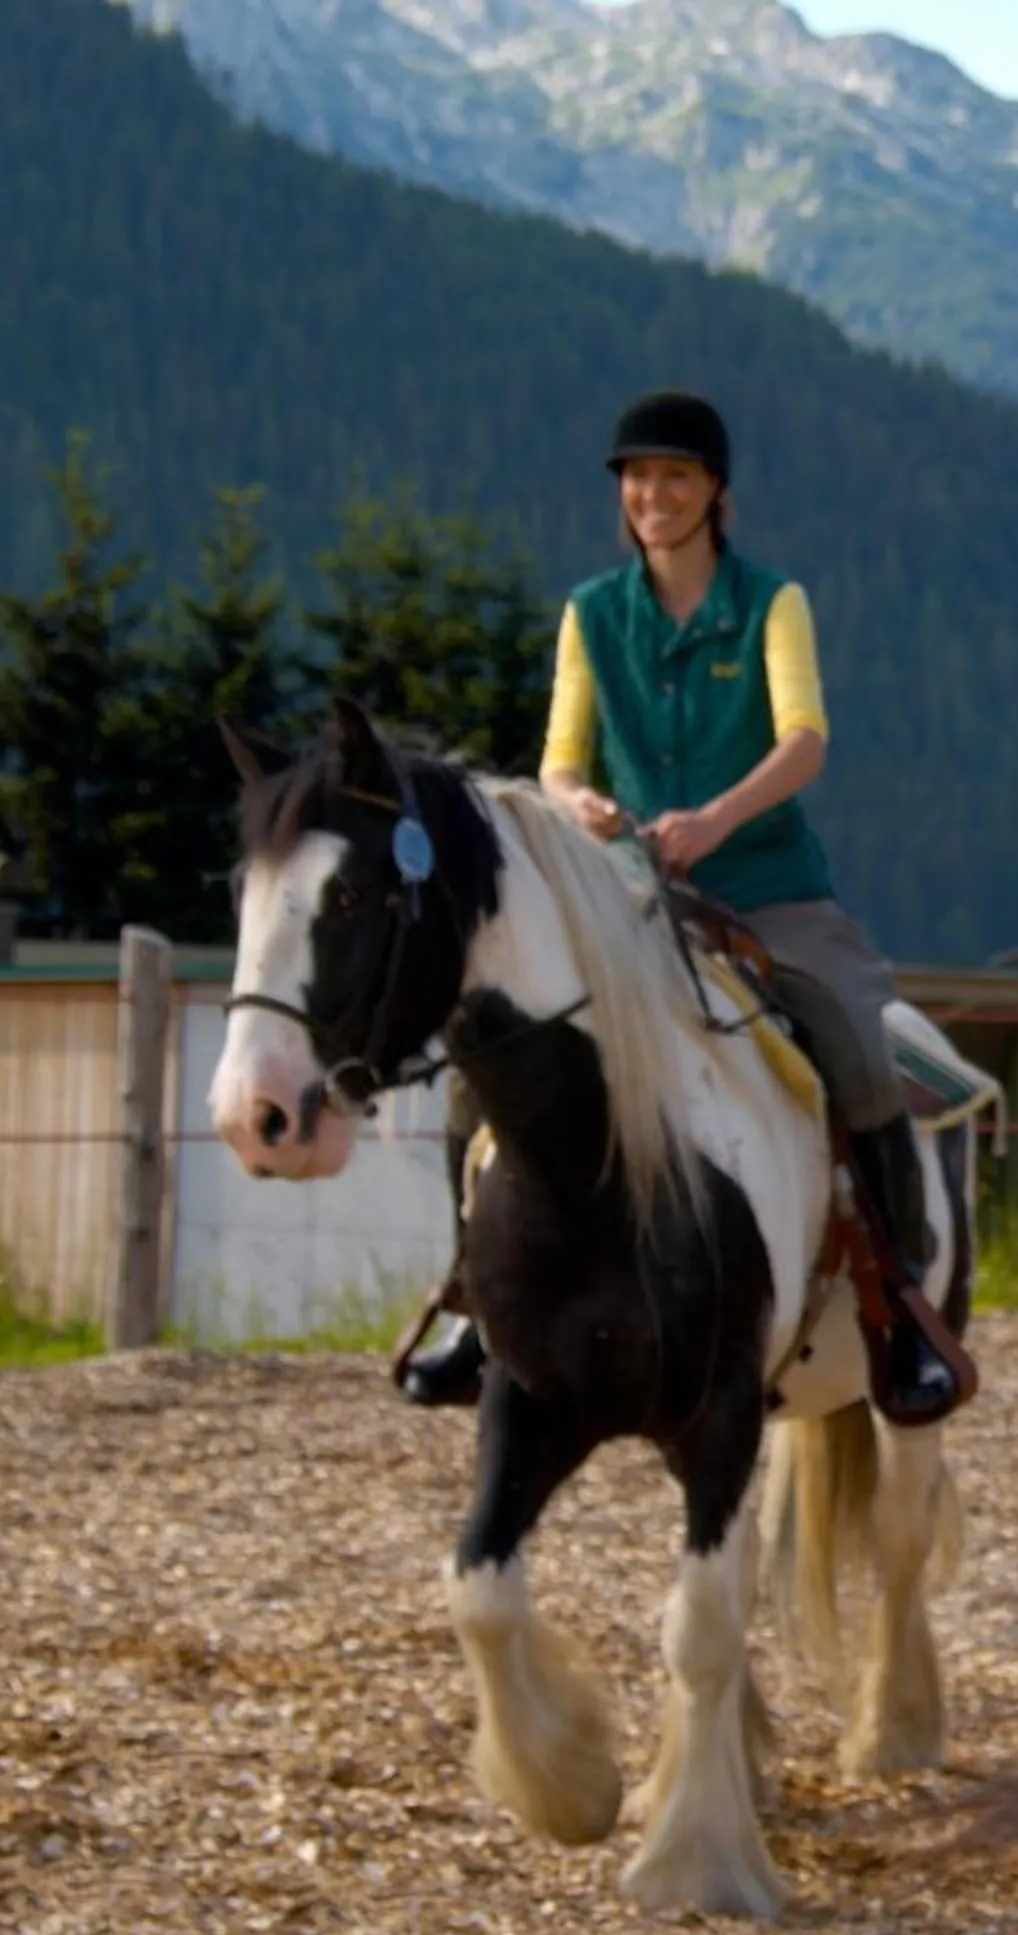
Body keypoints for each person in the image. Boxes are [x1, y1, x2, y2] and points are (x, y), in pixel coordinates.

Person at [399, 389, 974, 1428]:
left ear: (715, 492)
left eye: (674, 476)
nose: (652, 495)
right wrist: (578, 805)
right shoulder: (591, 613)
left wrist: (715, 820)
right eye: (636, 477)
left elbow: (804, 742)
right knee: (489, 1052)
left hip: (768, 890)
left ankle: (899, 1306)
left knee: (853, 1038)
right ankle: (472, 1299)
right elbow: (559, 759)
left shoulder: (772, 604)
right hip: (626, 893)